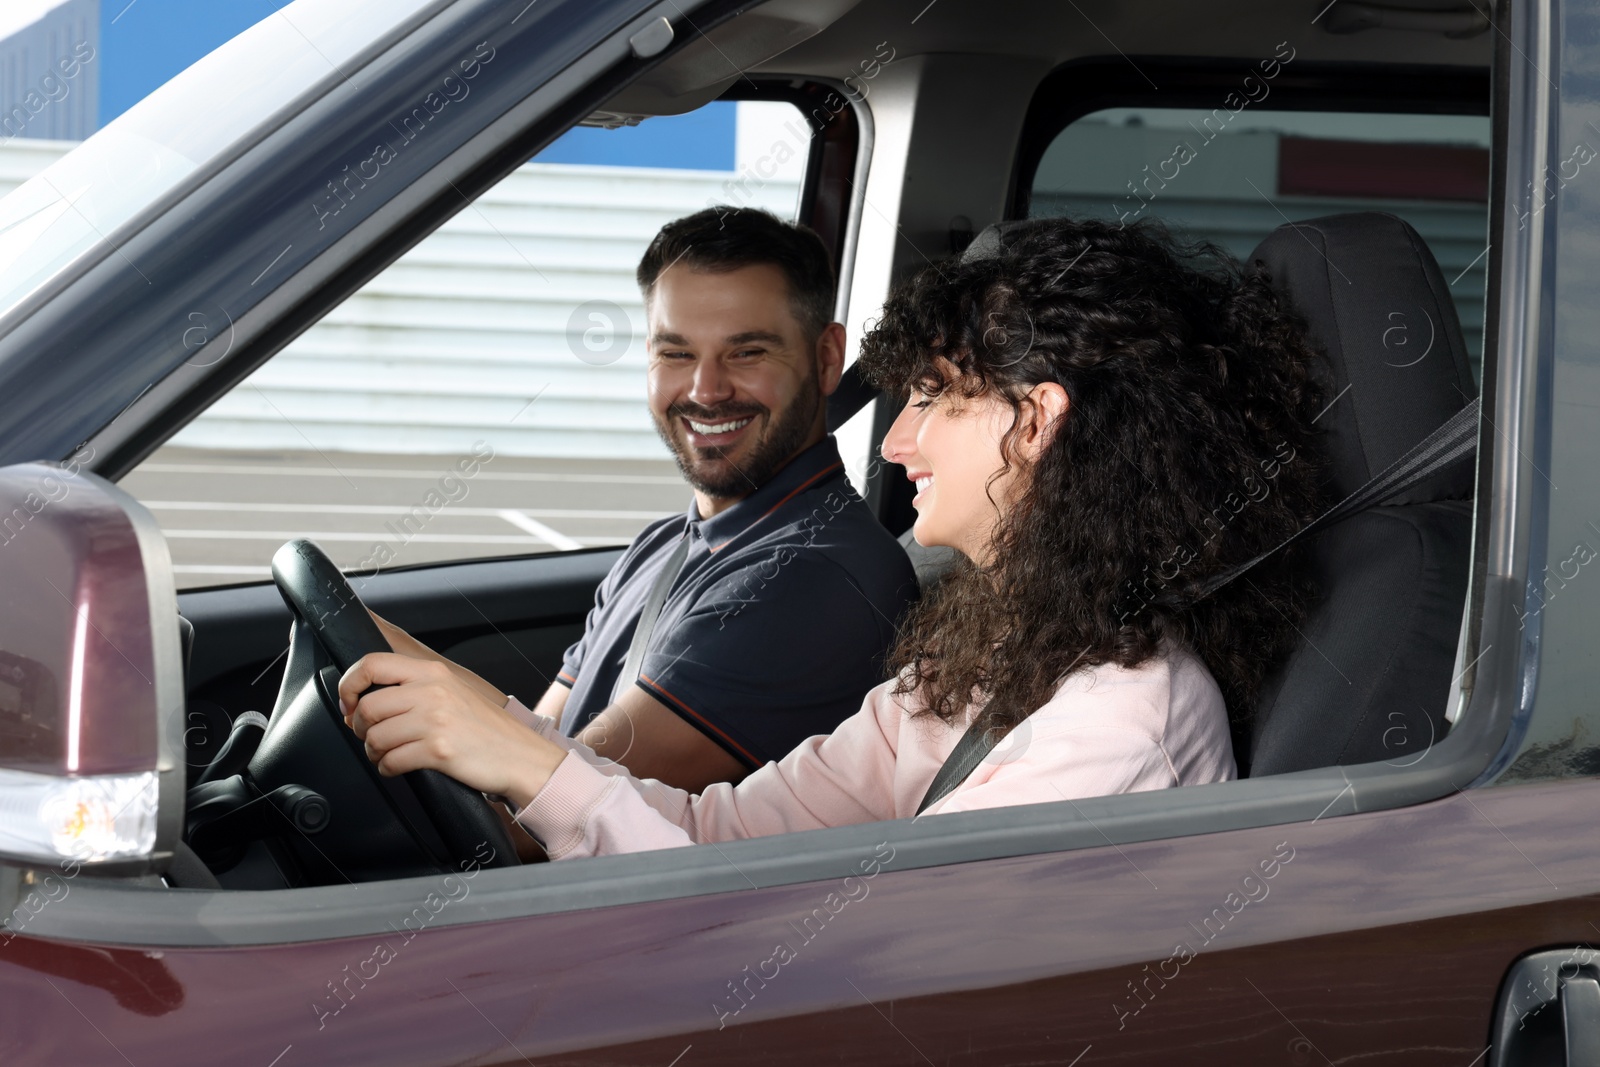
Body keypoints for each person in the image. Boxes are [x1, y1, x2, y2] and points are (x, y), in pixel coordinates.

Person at [341, 216, 1327, 860]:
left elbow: (836, 963)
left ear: (1036, 421)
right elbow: (722, 835)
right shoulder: (988, 654)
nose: (896, 441)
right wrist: (507, 741)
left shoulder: (1118, 726)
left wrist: (529, 759)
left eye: (934, 399)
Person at [373, 206, 917, 799]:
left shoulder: (812, 579)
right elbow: (545, 737)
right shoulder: (666, 543)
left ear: (827, 359)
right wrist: (388, 654)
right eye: (676, 353)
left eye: (747, 352)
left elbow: (553, 807)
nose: (706, 390)